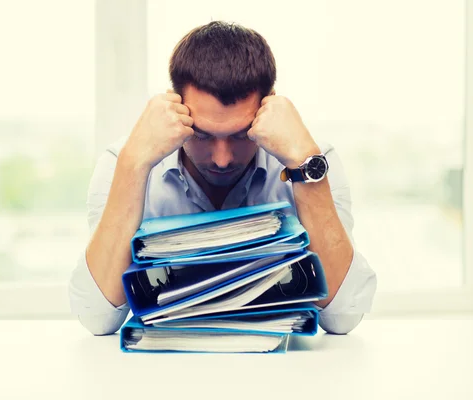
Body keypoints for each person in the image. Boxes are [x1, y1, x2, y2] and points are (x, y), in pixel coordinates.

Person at [69, 21, 377, 336]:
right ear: (174, 107)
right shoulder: (124, 162)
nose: (222, 158)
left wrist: (304, 166)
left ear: (268, 108)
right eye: (202, 135)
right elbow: (97, 318)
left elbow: (343, 317)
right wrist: (133, 165)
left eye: (241, 135)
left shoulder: (312, 160)